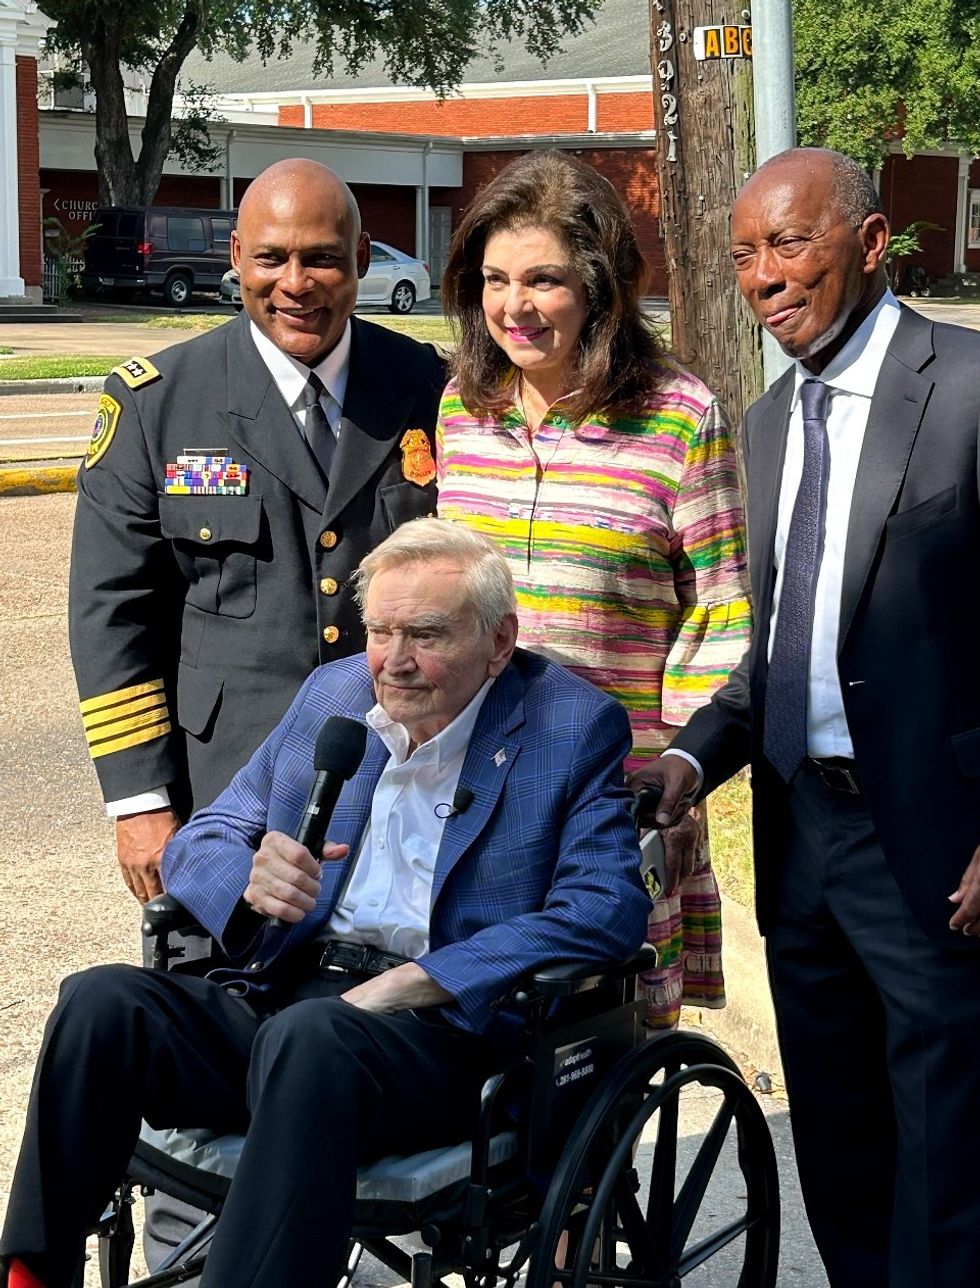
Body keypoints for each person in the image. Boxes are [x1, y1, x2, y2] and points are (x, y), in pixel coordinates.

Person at [1, 520, 649, 1288]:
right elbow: (204, 834)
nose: (395, 662)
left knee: (314, 1037)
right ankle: (31, 1276)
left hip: (444, 1041)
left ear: (499, 641)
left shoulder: (568, 724)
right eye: (380, 631)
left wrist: (423, 979)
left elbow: (605, 907)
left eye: (427, 635)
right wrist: (246, 875)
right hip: (289, 1004)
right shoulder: (333, 694)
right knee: (101, 1002)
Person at [644, 147, 980, 1287]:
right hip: (802, 841)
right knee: (836, 1137)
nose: (762, 276)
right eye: (743, 255)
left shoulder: (968, 386)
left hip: (935, 844)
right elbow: (777, 649)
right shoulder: (767, 424)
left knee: (948, 1146)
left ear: (872, 242)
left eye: (788, 243)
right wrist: (690, 760)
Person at [69, 157, 446, 906]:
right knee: (216, 1002)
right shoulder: (158, 403)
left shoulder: (427, 387)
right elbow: (111, 609)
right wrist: (140, 798)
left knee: (381, 1009)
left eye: (323, 259)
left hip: (406, 771)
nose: (296, 284)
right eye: (272, 258)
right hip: (226, 787)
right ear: (237, 256)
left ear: (362, 260)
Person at [435, 150, 751, 1029]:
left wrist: (683, 775)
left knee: (600, 1046)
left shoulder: (680, 417)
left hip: (618, 795)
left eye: (544, 280)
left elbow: (723, 613)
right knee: (477, 1052)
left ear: (602, 287)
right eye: (495, 279)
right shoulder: (463, 407)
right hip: (472, 788)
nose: (514, 306)